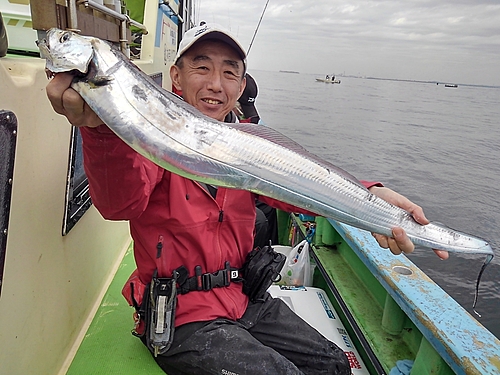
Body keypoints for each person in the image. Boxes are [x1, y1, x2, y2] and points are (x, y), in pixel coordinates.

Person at [46, 22, 447, 375]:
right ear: (176, 78)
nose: (215, 83)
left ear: (241, 87)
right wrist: (98, 131)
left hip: (244, 299)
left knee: (334, 363)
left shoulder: (246, 145)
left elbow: (304, 191)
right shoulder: (154, 139)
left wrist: (371, 196)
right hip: (182, 317)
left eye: (229, 72)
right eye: (201, 67)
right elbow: (120, 205)